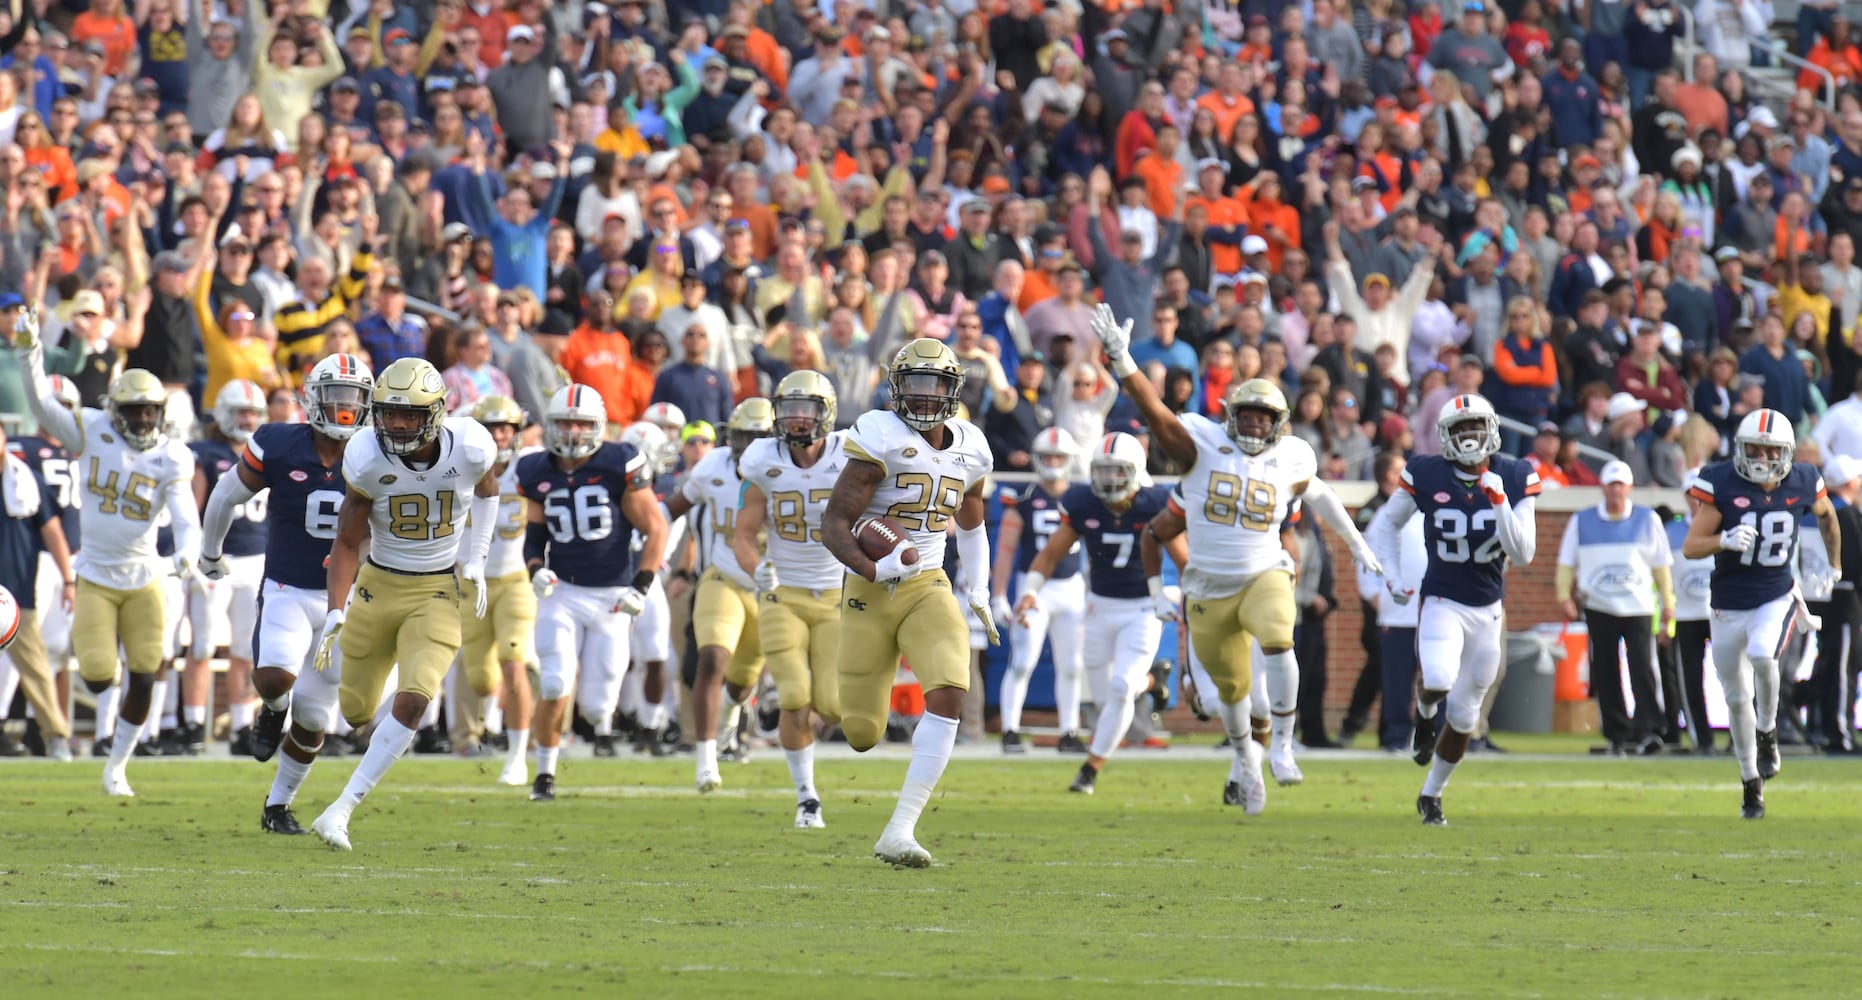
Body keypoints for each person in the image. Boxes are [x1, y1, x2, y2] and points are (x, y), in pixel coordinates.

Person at [1093, 305, 1382, 803]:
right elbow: (1156, 414)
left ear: (1279, 423)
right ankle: (1246, 760)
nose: (1251, 426)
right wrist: (1122, 361)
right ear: (1228, 418)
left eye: (1261, 418)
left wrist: (1356, 542)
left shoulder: (1290, 457)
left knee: (1278, 639)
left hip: (1263, 572)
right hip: (1207, 584)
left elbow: (1320, 495)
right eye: (1244, 416)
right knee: (1228, 695)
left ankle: (1284, 747)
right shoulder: (1201, 448)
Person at [306, 358, 502, 850]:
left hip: (437, 588)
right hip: (377, 587)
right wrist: (336, 608)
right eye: (389, 413)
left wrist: (475, 558)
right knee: (354, 712)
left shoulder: (472, 445)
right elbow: (347, 541)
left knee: (415, 698)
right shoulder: (367, 456)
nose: (396, 424)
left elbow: (489, 490)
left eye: (409, 415)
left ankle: (341, 808)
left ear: (434, 413)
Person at [821, 338, 996, 868]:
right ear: (896, 387)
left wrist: (981, 588)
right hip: (869, 591)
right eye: (914, 383)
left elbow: (972, 522)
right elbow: (833, 524)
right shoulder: (880, 436)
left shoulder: (972, 445)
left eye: (934, 384)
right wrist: (875, 566)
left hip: (927, 582)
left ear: (952, 389)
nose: (923, 396)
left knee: (950, 688)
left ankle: (900, 828)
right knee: (860, 732)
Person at [18, 309, 200, 799]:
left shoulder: (172, 455)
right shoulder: (93, 430)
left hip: (144, 578)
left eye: (149, 411)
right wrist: (29, 353)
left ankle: (117, 765)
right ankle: (107, 734)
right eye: (135, 411)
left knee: (146, 674)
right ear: (117, 411)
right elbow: (40, 405)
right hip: (96, 574)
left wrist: (188, 552)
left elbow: (185, 514)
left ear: (160, 413)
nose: (142, 420)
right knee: (99, 677)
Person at [198, 354, 372, 834]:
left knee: (315, 717)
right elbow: (225, 494)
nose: (344, 408)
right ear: (313, 399)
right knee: (274, 678)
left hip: (347, 600)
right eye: (335, 396)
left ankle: (278, 806)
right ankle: (271, 713)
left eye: (354, 398)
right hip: (287, 588)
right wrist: (210, 550)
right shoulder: (279, 444)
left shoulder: (378, 453)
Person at [1366, 394, 1541, 827]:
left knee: (1464, 717)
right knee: (1439, 679)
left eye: (1475, 427)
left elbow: (1524, 554)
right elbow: (1386, 524)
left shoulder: (1515, 476)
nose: (1469, 437)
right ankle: (1424, 715)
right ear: (1446, 435)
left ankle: (1432, 795)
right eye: (1461, 429)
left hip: (1488, 609)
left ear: (1492, 430)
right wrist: (1389, 575)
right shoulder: (1426, 473)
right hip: (1442, 599)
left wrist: (1500, 502)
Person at [1684, 409, 1840, 820]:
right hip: (1726, 605)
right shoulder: (1722, 482)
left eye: (1770, 450)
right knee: (1736, 699)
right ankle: (1750, 782)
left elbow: (1828, 517)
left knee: (1762, 656)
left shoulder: (1804, 481)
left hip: (1775, 594)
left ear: (1786, 453)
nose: (1761, 457)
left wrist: (1834, 565)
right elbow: (1691, 545)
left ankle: (1768, 730)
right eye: (1753, 448)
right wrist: (1724, 539)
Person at [519, 385, 670, 803]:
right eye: (565, 422)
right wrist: (536, 571)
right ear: (550, 425)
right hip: (562, 593)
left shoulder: (616, 463)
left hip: (611, 598)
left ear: (598, 426)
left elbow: (656, 529)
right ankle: (544, 775)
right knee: (553, 683)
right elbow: (533, 538)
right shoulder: (535, 470)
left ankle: (593, 727)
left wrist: (641, 586)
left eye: (582, 423)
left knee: (598, 708)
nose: (572, 431)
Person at [1011, 432, 1179, 794]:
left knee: (1120, 689)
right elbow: (1051, 553)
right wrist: (1029, 593)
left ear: (1136, 471)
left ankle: (1090, 769)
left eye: (1118, 471)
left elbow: (1184, 556)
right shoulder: (1082, 501)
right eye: (1102, 471)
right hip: (1098, 607)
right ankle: (1153, 681)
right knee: (1106, 700)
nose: (1109, 480)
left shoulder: (1155, 503)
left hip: (1142, 608)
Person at [732, 372, 847, 828]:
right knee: (794, 695)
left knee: (834, 706)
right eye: (790, 409)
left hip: (838, 593)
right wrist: (754, 567)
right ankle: (807, 798)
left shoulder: (850, 455)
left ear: (827, 412)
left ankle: (802, 746)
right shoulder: (763, 459)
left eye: (808, 409)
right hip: (784, 593)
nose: (798, 419)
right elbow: (743, 534)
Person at [665, 398, 773, 792]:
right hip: (723, 575)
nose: (753, 445)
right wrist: (651, 549)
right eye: (746, 436)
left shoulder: (792, 469)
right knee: (710, 658)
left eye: (762, 436)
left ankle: (733, 708)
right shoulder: (713, 466)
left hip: (769, 586)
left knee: (743, 682)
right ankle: (706, 762)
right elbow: (672, 509)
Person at [1555, 460, 1676, 755]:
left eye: (1620, 485)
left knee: (1642, 669)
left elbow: (1661, 568)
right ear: (1602, 487)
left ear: (1629, 488)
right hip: (1599, 605)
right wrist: (1564, 597)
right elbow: (1566, 563)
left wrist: (1667, 603)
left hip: (1638, 607)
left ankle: (1649, 729)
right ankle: (1617, 732)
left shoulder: (1648, 520)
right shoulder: (1581, 520)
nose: (1616, 491)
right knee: (1606, 671)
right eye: (1611, 485)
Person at [180, 381, 268, 757]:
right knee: (202, 645)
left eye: (252, 413)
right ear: (223, 413)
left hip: (256, 559)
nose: (247, 419)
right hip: (216, 559)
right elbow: (193, 510)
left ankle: (241, 725)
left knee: (245, 650)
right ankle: (194, 724)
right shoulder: (206, 453)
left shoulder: (267, 452)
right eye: (241, 412)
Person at [990, 427, 1087, 753]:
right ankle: (1010, 730)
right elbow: (1006, 548)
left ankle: (1069, 731)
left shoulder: (1081, 496)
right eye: (1048, 456)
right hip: (1034, 590)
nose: (1054, 462)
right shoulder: (1024, 497)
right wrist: (999, 593)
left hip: (1072, 587)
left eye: (1059, 456)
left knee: (1071, 664)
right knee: (1022, 661)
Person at [458, 396, 537, 788]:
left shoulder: (530, 467)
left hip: (514, 578)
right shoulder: (459, 468)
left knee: (512, 661)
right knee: (481, 680)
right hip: (470, 582)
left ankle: (518, 756)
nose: (500, 436)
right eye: (492, 428)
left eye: (506, 428)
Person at [0, 422, 77, 761]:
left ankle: (56, 736)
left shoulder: (25, 478)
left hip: (14, 591)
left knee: (35, 667)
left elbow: (52, 530)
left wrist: (68, 578)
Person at [1668, 493, 1717, 752]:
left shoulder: (1725, 524)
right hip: (1685, 614)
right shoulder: (1671, 530)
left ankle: (1740, 737)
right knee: (1690, 680)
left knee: (1735, 678)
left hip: (1720, 613)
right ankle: (1701, 738)